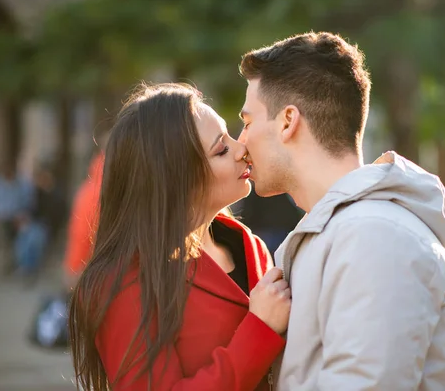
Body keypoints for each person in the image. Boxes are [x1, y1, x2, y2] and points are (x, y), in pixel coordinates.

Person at [237, 32, 445, 390]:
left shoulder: (376, 236)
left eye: (248, 122)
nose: (240, 142)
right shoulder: (343, 231)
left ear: (287, 121)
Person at [68, 83, 291, 391]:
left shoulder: (249, 246)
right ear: (177, 179)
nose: (242, 149)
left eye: (229, 135)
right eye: (221, 149)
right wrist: (260, 327)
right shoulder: (123, 281)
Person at [63, 135, 106, 291]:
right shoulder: (117, 188)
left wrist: (72, 270)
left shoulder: (87, 189)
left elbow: (78, 235)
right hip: (98, 278)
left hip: (85, 274)